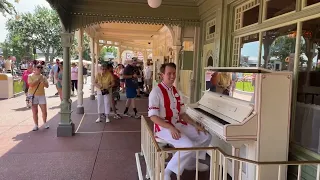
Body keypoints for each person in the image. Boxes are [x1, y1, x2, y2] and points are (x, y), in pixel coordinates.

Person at [148, 63, 211, 180]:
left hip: (177, 124)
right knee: (188, 145)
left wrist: (195, 125)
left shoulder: (176, 91)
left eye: (174, 73)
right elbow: (153, 117)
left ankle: (190, 163)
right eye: (169, 74)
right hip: (163, 128)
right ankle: (166, 172)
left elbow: (182, 114)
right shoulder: (156, 92)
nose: (172, 76)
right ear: (162, 75)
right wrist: (170, 127)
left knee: (205, 136)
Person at [28, 64, 49, 131]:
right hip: (32, 95)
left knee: (44, 111)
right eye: (38, 67)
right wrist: (38, 79)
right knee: (35, 111)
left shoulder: (43, 77)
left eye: (41, 67)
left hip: (41, 95)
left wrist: (43, 82)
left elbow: (47, 86)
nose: (39, 68)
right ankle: (36, 125)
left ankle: (45, 123)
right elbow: (31, 84)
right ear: (34, 68)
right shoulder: (30, 76)